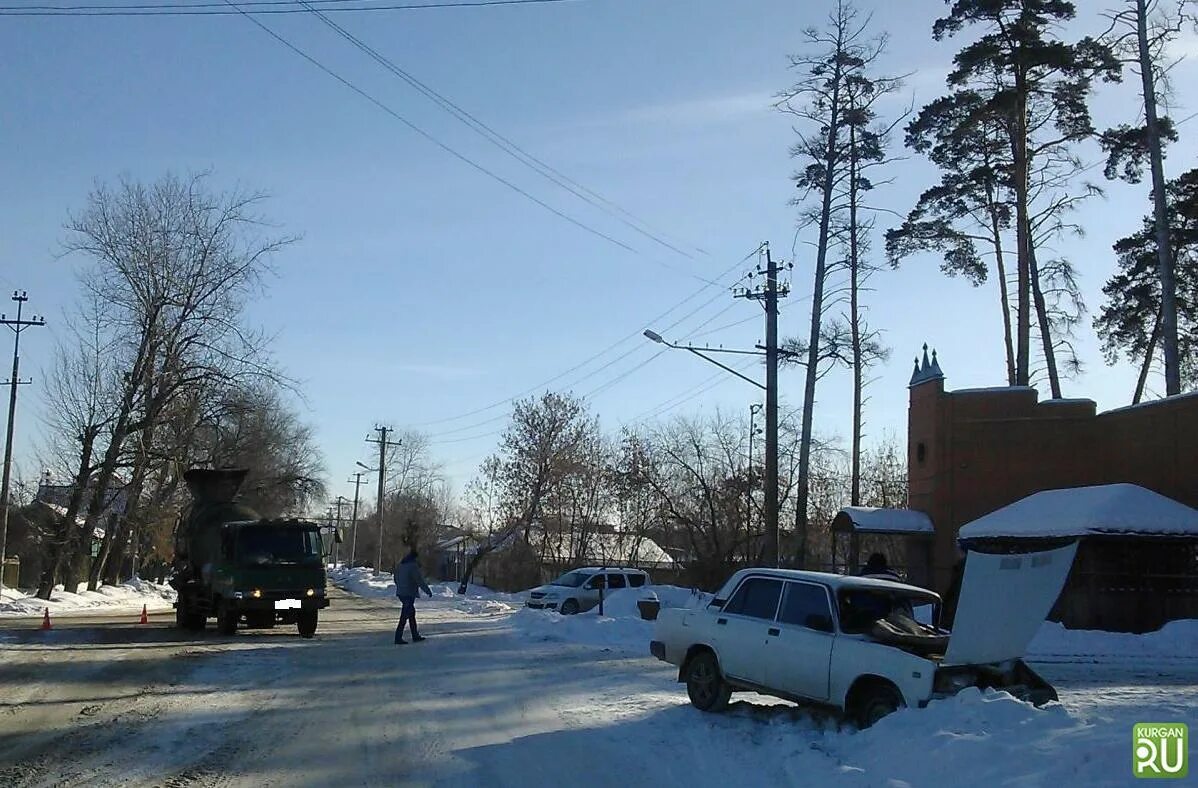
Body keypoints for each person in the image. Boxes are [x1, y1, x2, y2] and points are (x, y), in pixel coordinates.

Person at [394, 547, 433, 645]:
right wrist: (427, 591)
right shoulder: (413, 566)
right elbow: (419, 580)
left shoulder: (401, 565)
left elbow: (395, 577)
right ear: (415, 558)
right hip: (408, 593)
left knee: (411, 614)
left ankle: (415, 635)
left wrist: (399, 586)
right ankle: (398, 637)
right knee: (405, 615)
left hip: (401, 593)